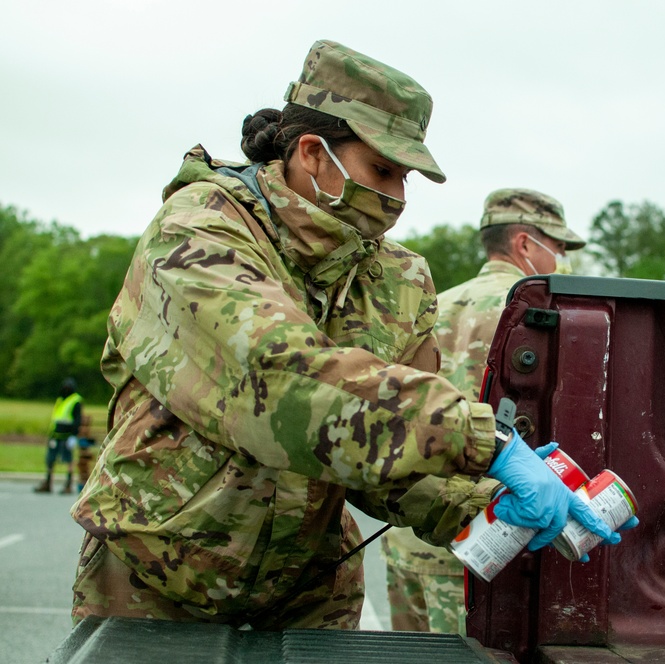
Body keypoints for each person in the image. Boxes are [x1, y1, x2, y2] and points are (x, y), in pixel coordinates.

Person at [70, 40, 625, 631]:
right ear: (312, 153)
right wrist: (486, 442)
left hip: (309, 596)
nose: (400, 198)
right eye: (383, 170)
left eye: (405, 177)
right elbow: (278, 381)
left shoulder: (398, 279)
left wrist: (488, 503)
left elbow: (393, 466)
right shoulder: (200, 231)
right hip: (154, 586)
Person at [381, 188, 586, 633]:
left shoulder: (432, 304)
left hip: (403, 527)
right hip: (479, 534)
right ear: (526, 245)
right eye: (561, 247)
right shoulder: (537, 316)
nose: (563, 259)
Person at [35, 378, 82, 494]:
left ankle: (68, 484)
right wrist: (51, 434)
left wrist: (74, 436)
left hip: (67, 435)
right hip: (56, 435)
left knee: (68, 459)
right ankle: (48, 482)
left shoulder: (76, 400)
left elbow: (77, 419)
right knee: (50, 459)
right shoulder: (60, 400)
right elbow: (55, 418)